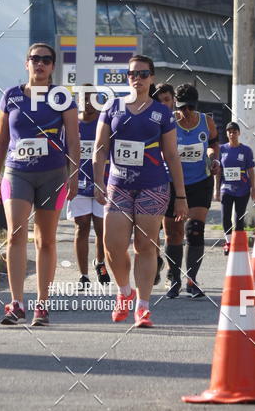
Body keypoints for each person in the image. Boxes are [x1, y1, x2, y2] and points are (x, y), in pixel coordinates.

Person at [0, 43, 80, 326]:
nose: (39, 63)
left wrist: (74, 175)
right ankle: (16, 303)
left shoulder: (61, 97)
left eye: (46, 60)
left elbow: (74, 141)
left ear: (53, 66)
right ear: (26, 63)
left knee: (46, 239)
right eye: (34, 59)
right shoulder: (11, 96)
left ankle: (42, 304)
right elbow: (2, 139)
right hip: (17, 173)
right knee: (16, 234)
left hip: (52, 174)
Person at [93, 55, 187, 328]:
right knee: (113, 246)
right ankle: (125, 291)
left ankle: (143, 307)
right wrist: (98, 181)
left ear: (152, 78)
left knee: (146, 246)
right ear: (127, 77)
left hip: (153, 185)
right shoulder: (112, 107)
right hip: (118, 185)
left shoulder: (162, 113)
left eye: (144, 74)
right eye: (133, 73)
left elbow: (171, 155)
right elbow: (100, 148)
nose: (138, 78)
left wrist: (180, 196)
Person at [163, 83, 220, 299]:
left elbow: (214, 144)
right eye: (181, 108)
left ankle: (192, 280)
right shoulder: (169, 123)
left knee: (195, 229)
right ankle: (174, 278)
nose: (185, 112)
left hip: (199, 182)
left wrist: (214, 159)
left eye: (189, 108)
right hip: (171, 183)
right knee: (174, 233)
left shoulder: (206, 121)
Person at [65, 84, 110, 289]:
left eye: (92, 98)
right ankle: (83, 275)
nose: (87, 103)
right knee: (81, 227)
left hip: (103, 183)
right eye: (83, 98)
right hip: (79, 184)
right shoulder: (72, 123)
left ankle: (100, 264)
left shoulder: (105, 121)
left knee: (102, 230)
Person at [215, 121, 255, 255]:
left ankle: (238, 244)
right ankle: (228, 242)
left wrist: (253, 189)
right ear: (227, 134)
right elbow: (219, 171)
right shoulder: (222, 149)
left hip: (242, 189)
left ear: (239, 133)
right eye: (229, 132)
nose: (232, 134)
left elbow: (251, 170)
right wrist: (216, 190)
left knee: (239, 217)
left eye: (234, 131)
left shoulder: (246, 150)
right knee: (225, 216)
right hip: (226, 188)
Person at [151, 82, 176, 286]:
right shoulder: (150, 121)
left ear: (173, 100)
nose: (164, 104)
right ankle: (155, 260)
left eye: (167, 100)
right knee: (152, 231)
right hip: (153, 181)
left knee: (172, 231)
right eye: (160, 101)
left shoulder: (179, 122)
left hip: (174, 182)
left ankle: (171, 270)